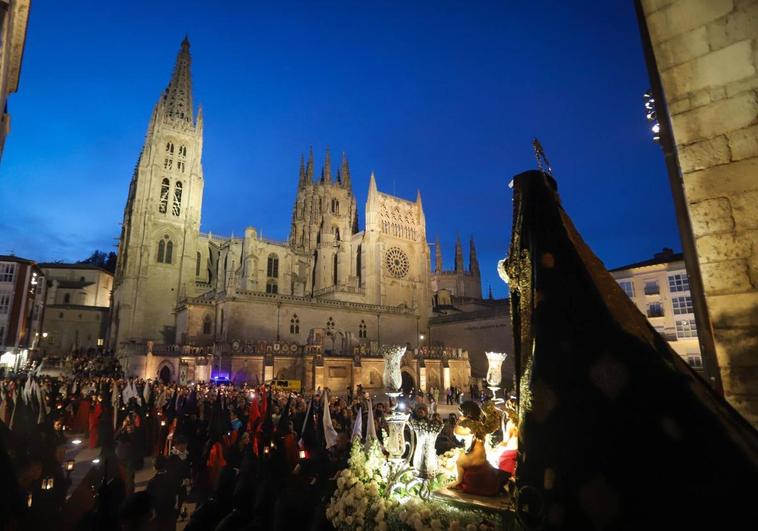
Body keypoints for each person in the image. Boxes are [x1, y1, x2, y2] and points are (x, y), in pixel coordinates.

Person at [448, 401, 506, 497]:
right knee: (461, 457)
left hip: (475, 456)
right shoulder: (480, 424)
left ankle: (458, 480)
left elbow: (456, 432)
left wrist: (460, 421)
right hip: (481, 455)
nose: (460, 415)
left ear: (466, 412)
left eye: (461, 413)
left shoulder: (469, 424)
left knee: (459, 462)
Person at [146, 455, 179, 530]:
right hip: (170, 510)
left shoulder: (152, 482)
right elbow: (176, 492)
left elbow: (149, 499)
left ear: (154, 467)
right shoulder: (172, 478)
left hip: (159, 512)